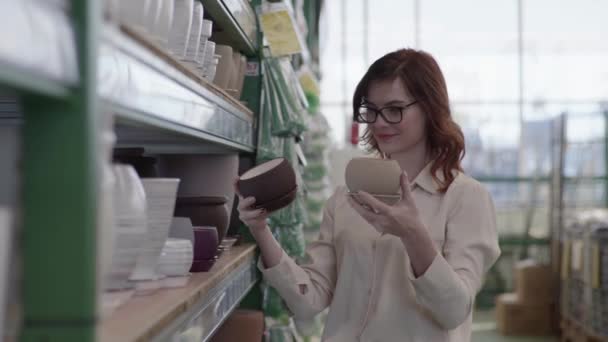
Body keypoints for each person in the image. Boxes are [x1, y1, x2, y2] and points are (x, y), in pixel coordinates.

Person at [235, 48, 501, 342]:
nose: (378, 122)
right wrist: (260, 229)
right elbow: (307, 301)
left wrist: (413, 234)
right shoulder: (345, 200)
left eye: (394, 109)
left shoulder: (466, 198)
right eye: (370, 110)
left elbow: (454, 310)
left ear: (430, 108)